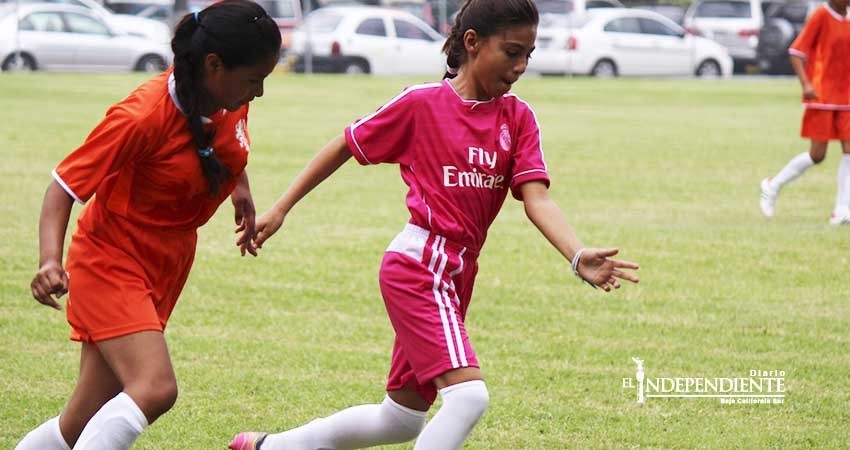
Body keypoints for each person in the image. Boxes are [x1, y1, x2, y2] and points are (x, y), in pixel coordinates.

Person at [230, 0, 639, 449]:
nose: (521, 66)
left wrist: (576, 254)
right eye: (512, 51)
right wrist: (282, 208)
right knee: (468, 399)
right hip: (420, 267)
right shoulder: (421, 104)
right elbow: (345, 144)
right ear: (472, 42)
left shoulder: (517, 118)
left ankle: (271, 447)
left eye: (529, 55)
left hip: (457, 273)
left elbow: (536, 199)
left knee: (401, 419)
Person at [15, 2, 281, 449]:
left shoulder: (224, 95)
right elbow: (63, 187)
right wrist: (48, 261)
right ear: (214, 65)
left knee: (84, 416)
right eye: (254, 80)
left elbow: (221, 142)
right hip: (112, 258)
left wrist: (238, 188)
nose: (258, 93)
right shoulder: (141, 116)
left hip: (167, 260)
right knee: (155, 387)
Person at [759, 0, 850, 225]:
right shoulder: (821, 15)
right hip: (822, 97)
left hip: (846, 96)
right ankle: (772, 185)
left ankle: (841, 210)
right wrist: (806, 85)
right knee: (817, 155)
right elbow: (796, 52)